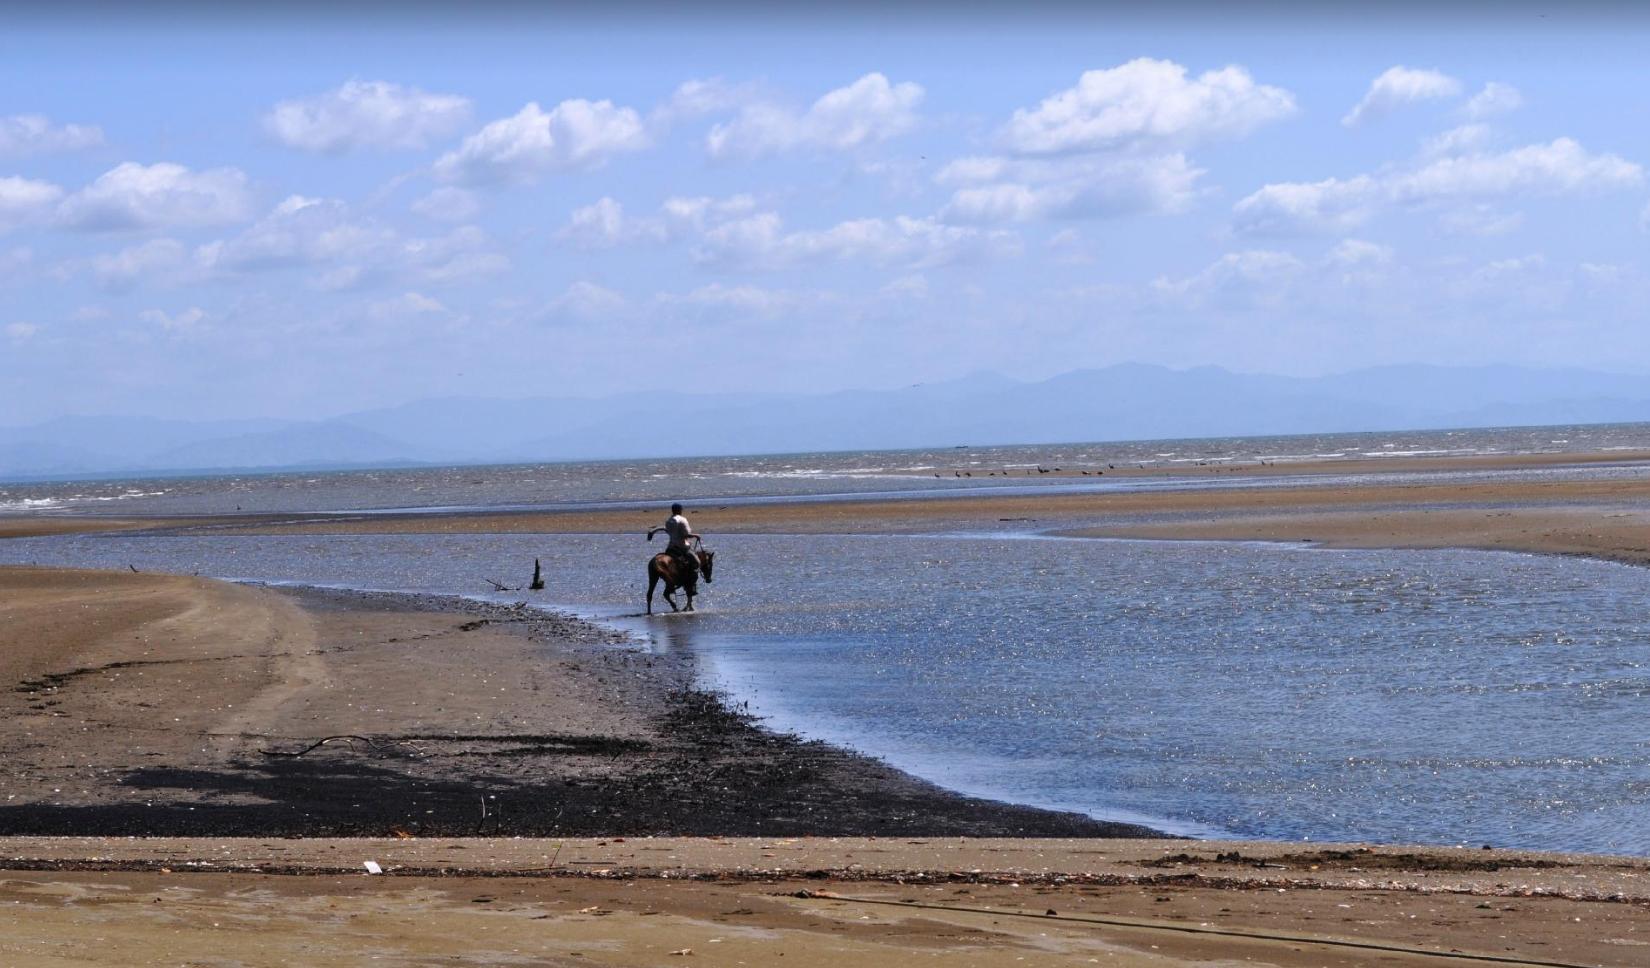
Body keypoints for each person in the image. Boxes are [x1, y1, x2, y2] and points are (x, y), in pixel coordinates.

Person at [647, 503, 702, 579]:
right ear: (680, 510)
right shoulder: (682, 519)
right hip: (682, 546)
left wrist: (653, 531)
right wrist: (696, 535)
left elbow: (667, 530)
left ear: (672, 510)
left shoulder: (669, 520)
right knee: (697, 562)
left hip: (671, 547)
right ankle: (691, 582)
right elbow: (686, 534)